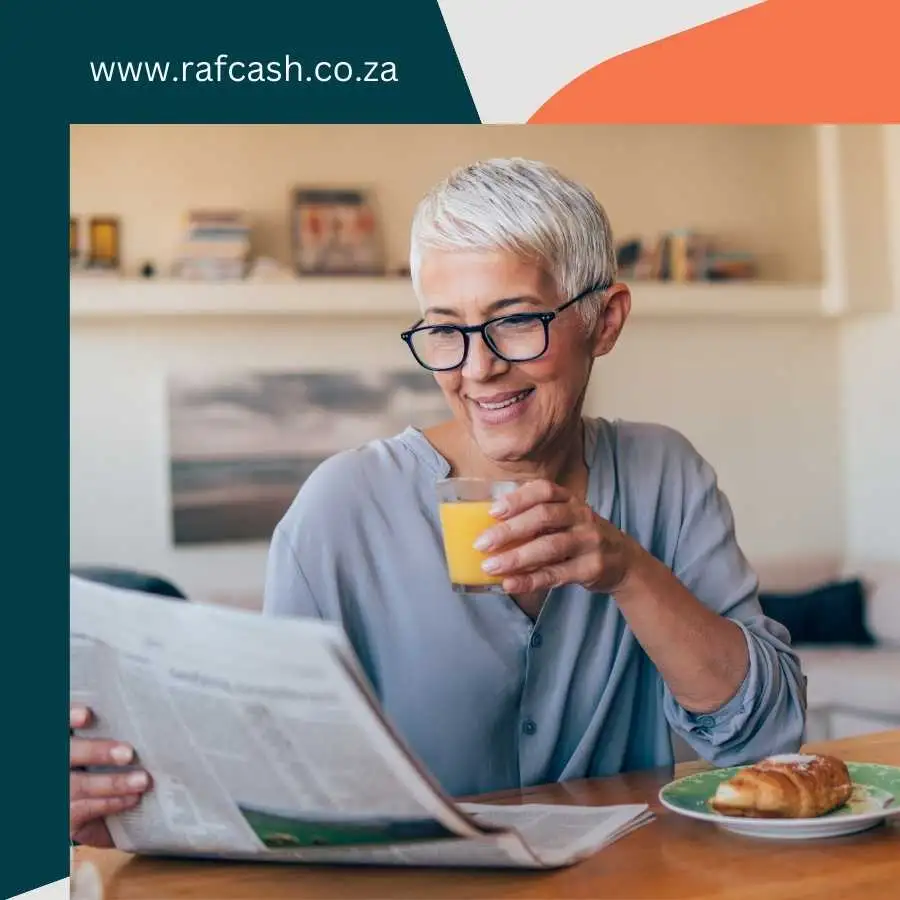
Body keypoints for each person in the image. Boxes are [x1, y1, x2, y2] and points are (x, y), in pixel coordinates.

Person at [70, 158, 806, 845]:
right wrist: (122, 810)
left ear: (604, 321)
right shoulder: (344, 507)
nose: (477, 368)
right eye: (445, 329)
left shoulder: (665, 475)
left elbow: (765, 741)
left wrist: (627, 570)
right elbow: (280, 780)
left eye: (516, 319)